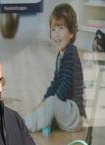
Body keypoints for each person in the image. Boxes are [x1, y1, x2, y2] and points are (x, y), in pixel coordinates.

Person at [24, 3, 86, 135]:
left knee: (51, 102)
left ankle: (25, 125)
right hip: (66, 110)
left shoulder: (71, 53)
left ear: (71, 33)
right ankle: (31, 121)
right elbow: (56, 82)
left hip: (74, 113)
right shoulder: (61, 55)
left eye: (61, 28)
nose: (56, 34)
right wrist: (44, 100)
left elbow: (66, 83)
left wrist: (51, 102)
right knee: (46, 103)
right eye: (53, 29)